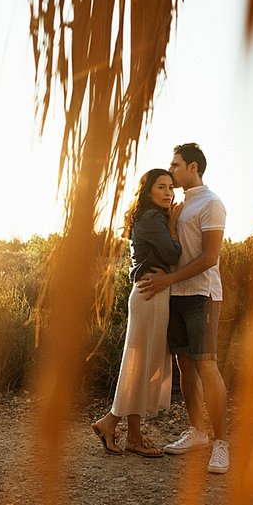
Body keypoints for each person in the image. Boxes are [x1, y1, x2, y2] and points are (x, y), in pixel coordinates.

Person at [137, 142, 231, 474]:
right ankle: (197, 432)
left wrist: (170, 279)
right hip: (174, 295)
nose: (171, 170)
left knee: (207, 366)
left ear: (192, 167)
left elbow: (209, 258)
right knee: (184, 367)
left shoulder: (211, 204)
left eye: (175, 165)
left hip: (202, 296)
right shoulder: (179, 206)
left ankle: (221, 443)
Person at [90, 169, 182, 458]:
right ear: (148, 191)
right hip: (150, 294)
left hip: (150, 293)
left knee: (141, 364)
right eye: (161, 187)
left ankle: (132, 436)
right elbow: (173, 255)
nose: (168, 193)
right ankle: (112, 423)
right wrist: (174, 227)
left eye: (170, 188)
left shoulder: (147, 216)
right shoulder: (154, 218)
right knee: (140, 364)